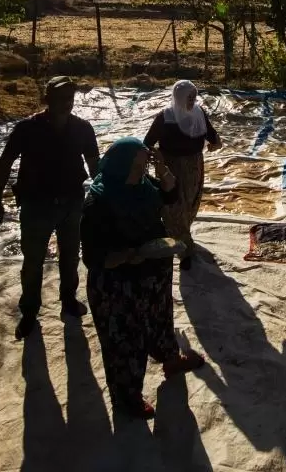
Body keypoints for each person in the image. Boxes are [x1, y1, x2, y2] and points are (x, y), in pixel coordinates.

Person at [81, 137, 207, 418]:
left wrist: (163, 169)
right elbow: (93, 257)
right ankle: (127, 398)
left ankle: (171, 359)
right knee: (126, 340)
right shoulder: (100, 201)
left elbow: (170, 197)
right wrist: (131, 254)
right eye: (140, 164)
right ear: (123, 165)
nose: (144, 169)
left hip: (152, 274)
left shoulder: (143, 185)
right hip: (119, 285)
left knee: (161, 319)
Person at [0, 76, 100, 340]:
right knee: (33, 260)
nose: (66, 104)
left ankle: (68, 300)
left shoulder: (83, 129)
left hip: (72, 202)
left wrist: (112, 190)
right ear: (47, 100)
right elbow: (4, 164)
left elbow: (95, 167)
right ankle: (29, 312)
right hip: (36, 204)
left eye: (70, 99)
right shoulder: (28, 129)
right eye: (60, 99)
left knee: (71, 256)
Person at [143, 80, 222, 271]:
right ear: (179, 97)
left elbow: (211, 134)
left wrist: (216, 142)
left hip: (194, 166)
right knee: (173, 208)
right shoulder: (166, 117)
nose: (192, 101)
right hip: (171, 167)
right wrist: (157, 159)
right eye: (189, 97)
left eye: (194, 97)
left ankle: (183, 235)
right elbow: (147, 142)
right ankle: (185, 250)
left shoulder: (198, 113)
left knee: (190, 204)